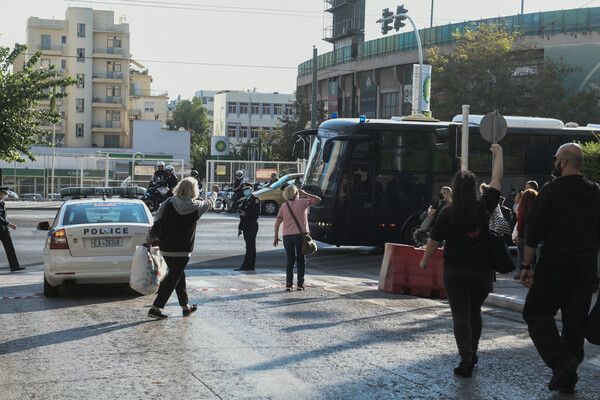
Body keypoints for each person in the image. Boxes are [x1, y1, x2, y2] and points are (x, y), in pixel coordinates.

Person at [520, 143, 600, 394]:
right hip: (585, 267)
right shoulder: (596, 191)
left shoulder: (551, 191)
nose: (554, 162)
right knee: (574, 323)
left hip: (555, 264)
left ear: (563, 162)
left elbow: (533, 232)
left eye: (556, 158)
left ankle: (561, 360)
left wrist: (525, 265)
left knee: (535, 313)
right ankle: (568, 379)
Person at [419, 144, 503, 378]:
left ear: (454, 188)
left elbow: (434, 241)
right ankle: (473, 352)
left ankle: (465, 358)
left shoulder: (447, 212)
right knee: (474, 311)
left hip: (455, 272)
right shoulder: (484, 207)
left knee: (460, 315)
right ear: (475, 187)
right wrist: (499, 155)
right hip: (482, 272)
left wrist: (424, 261)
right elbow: (497, 180)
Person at [146, 178, 219, 319]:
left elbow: (157, 220)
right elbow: (209, 203)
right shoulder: (197, 206)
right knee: (173, 278)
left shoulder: (168, 202)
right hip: (183, 249)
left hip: (166, 246)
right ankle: (155, 308)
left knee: (178, 275)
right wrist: (214, 193)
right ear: (194, 190)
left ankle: (185, 307)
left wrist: (150, 239)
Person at [273, 185, 321, 291]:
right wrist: (305, 194)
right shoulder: (302, 202)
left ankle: (289, 283)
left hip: (287, 236)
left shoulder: (283, 206)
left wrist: (276, 237)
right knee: (300, 259)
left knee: (290, 260)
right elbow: (318, 199)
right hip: (300, 235)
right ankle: (300, 284)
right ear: (296, 193)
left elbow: (277, 223)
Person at [513, 188, 538, 279]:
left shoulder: (522, 208)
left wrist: (519, 234)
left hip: (525, 235)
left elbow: (520, 224)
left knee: (523, 254)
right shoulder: (539, 208)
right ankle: (535, 273)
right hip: (537, 235)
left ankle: (523, 272)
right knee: (535, 257)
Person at [235, 186, 260, 271]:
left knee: (250, 246)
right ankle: (249, 265)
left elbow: (256, 213)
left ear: (251, 190)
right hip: (245, 224)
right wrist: (240, 227)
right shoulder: (244, 201)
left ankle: (248, 264)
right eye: (244, 191)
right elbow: (242, 215)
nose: (246, 192)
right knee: (249, 246)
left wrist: (246, 214)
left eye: (247, 190)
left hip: (252, 224)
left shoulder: (255, 200)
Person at [0, 186, 24, 272]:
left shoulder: (2, 202)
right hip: (3, 227)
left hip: (4, 229)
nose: (6, 195)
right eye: (4, 193)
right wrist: (9, 224)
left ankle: (14, 266)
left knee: (10, 248)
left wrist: (6, 226)